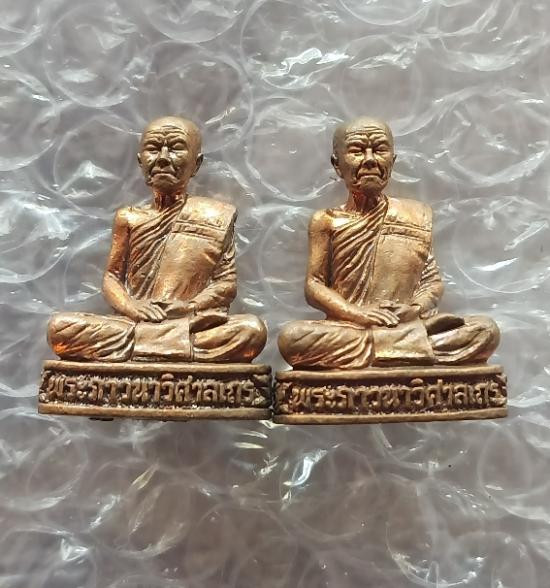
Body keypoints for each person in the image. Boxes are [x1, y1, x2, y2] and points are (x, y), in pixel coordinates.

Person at [278, 117, 499, 369]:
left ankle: (390, 347)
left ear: (392, 161)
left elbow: (431, 281)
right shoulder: (326, 220)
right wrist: (358, 314)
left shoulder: (416, 215)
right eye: (357, 151)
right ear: (337, 165)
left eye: (379, 150)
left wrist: (415, 309)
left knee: (485, 331)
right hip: (351, 328)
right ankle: (407, 348)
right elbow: (314, 285)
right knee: (292, 338)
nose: (370, 160)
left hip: (405, 323)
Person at [48, 116, 266, 363]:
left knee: (251, 330)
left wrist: (189, 307)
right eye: (153, 148)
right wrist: (132, 308)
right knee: (61, 329)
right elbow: (112, 277)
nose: (163, 158)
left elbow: (225, 283)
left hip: (189, 323)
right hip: (135, 323)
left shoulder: (217, 215)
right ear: (141, 161)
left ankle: (147, 346)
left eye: (175, 148)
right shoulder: (129, 218)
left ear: (196, 164)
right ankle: (171, 347)